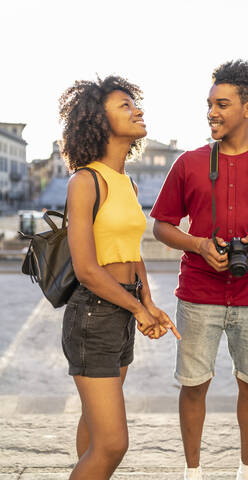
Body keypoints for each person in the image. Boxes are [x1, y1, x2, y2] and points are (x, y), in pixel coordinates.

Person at [150, 59, 248, 480]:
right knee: (193, 384)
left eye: (222, 104)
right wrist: (198, 244)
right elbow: (162, 225)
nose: (212, 113)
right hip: (198, 291)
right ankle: (192, 471)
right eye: (209, 104)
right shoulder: (187, 163)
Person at [59, 75, 180, 480]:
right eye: (125, 105)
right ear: (98, 120)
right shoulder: (85, 181)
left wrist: (147, 304)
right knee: (113, 444)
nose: (137, 110)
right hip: (93, 315)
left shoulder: (125, 181)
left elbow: (132, 252)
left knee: (95, 430)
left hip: (120, 310)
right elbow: (87, 269)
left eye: (135, 104)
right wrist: (136, 307)